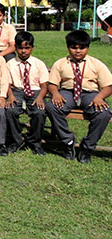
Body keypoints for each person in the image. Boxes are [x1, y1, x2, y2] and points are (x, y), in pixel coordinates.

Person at [46, 30, 112, 163]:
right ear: (68, 47)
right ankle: (68, 141)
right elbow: (52, 83)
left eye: (82, 48)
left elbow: (108, 85)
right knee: (52, 107)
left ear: (87, 48)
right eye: (74, 47)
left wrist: (100, 97)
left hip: (90, 93)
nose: (78, 51)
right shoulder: (60, 63)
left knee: (103, 113)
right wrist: (56, 93)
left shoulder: (96, 64)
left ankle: (87, 147)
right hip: (67, 92)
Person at [5, 31, 48, 156]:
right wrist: (10, 95)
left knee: (40, 112)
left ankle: (35, 142)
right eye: (20, 48)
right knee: (10, 110)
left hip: (35, 91)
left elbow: (44, 85)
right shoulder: (10, 64)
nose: (23, 51)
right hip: (17, 91)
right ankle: (17, 140)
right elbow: (7, 83)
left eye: (27, 48)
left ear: (32, 48)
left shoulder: (38, 64)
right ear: (16, 48)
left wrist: (40, 97)